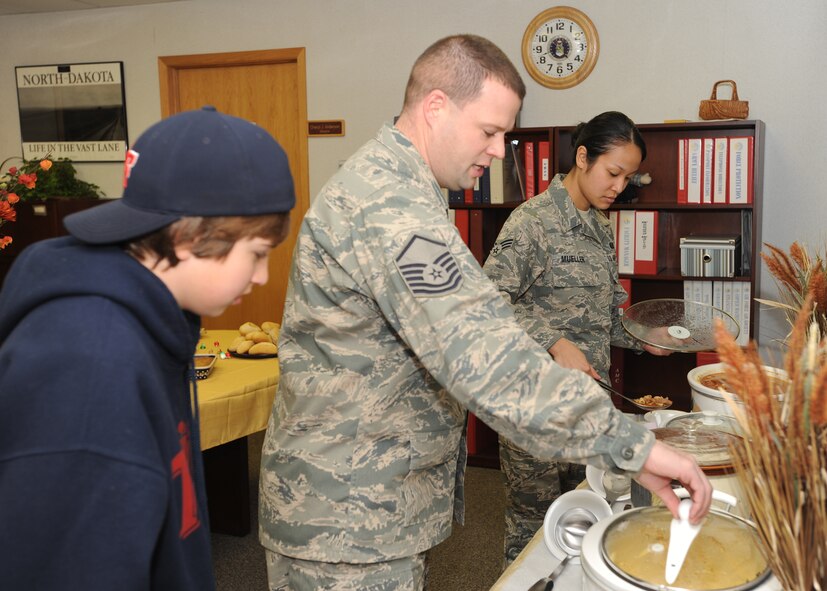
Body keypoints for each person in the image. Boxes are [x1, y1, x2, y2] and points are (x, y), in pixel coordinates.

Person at [258, 35, 711, 590]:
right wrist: (631, 447)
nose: (500, 151)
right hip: (347, 515)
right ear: (436, 107)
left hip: (367, 506)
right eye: (490, 131)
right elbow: (484, 354)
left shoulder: (405, 192)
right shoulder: (391, 208)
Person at [0, 106, 295, 590]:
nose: (262, 276)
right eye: (257, 254)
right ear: (188, 237)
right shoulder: (88, 363)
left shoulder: (154, 318)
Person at [483, 110, 673, 565]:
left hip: (586, 406)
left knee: (583, 524)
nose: (619, 186)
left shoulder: (598, 227)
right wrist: (553, 341)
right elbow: (486, 302)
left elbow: (602, 319)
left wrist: (643, 336)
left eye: (628, 177)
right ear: (582, 158)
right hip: (534, 408)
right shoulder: (532, 221)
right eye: (613, 172)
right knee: (532, 537)